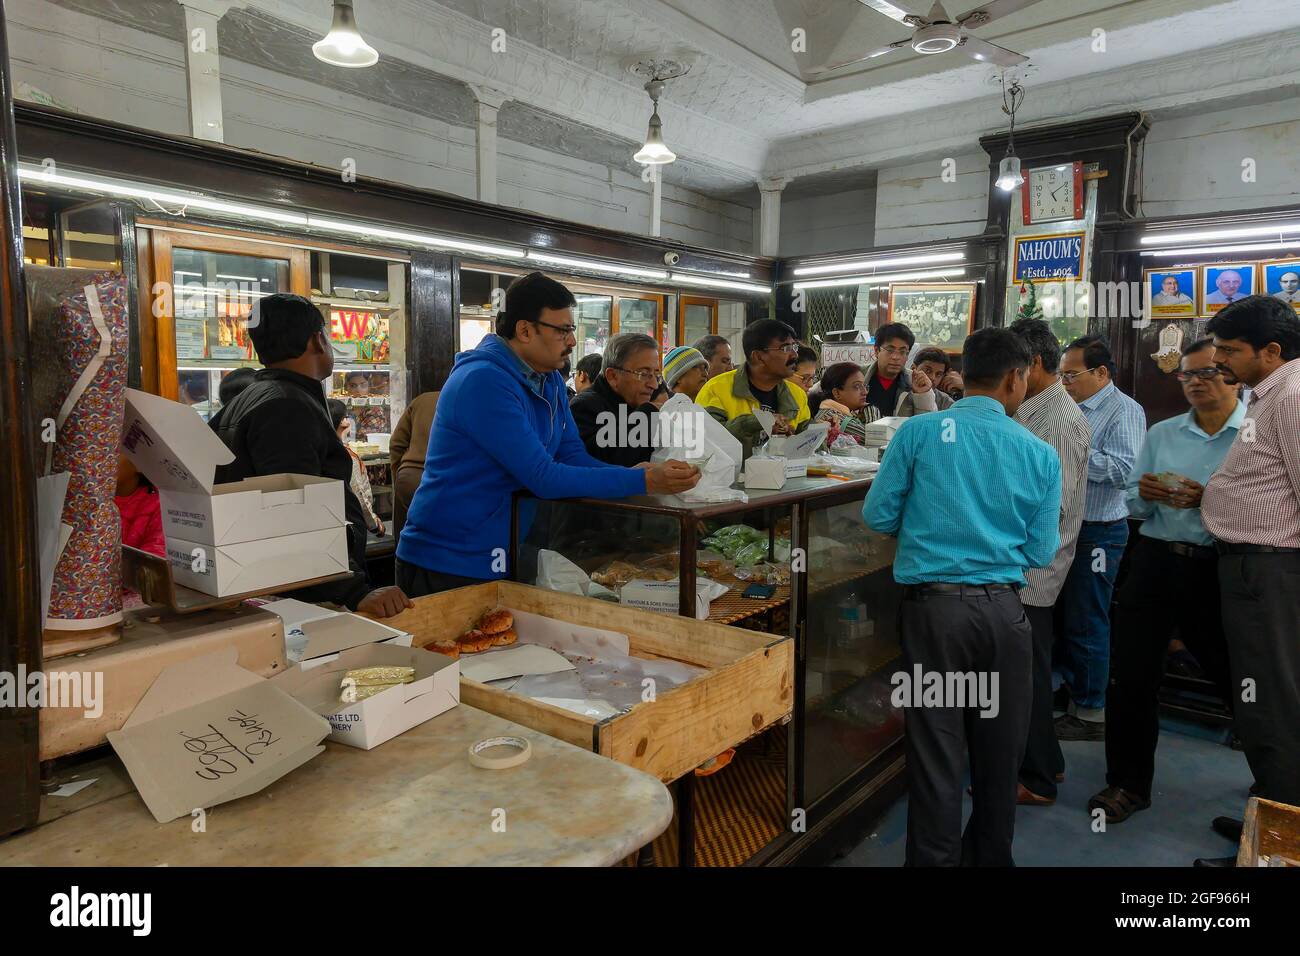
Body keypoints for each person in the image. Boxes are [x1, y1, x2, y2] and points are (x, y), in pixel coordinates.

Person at [864, 328, 1060, 866]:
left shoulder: (920, 433)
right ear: (1017, 379)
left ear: (964, 371)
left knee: (936, 751)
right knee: (1001, 753)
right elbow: (1041, 550)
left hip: (936, 616)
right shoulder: (1039, 453)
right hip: (1005, 615)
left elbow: (877, 515)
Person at [396, 272, 699, 597]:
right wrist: (641, 482)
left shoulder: (549, 380)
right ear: (525, 330)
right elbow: (543, 476)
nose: (571, 340)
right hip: (448, 561)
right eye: (563, 330)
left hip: (507, 551)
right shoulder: (482, 382)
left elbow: (571, 456)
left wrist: (633, 473)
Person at [1088, 338, 1243, 828]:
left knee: (1244, 680)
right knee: (1131, 676)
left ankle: (1277, 785)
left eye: (1209, 373)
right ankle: (1127, 784)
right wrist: (1146, 493)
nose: (1195, 382)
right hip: (1155, 559)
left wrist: (1207, 500)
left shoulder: (1256, 435)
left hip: (1220, 567)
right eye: (1187, 375)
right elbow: (1132, 498)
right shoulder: (1164, 432)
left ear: (1235, 377)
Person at [208, 293, 411, 618]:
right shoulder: (287, 407)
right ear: (318, 340)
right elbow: (295, 511)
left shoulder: (252, 398)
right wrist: (353, 592)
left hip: (269, 584)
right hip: (306, 598)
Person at [1197, 295, 1300, 865]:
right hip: (1253, 568)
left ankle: (1279, 853)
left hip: (1273, 569)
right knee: (1260, 703)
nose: (1219, 361)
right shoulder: (1270, 393)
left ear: (1273, 350)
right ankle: (1270, 815)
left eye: (1231, 350)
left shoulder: (1292, 396)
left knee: (1275, 707)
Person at [1008, 318, 1090, 805]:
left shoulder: (1055, 418)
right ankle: (1049, 762)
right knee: (1031, 669)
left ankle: (1034, 778)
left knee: (1029, 676)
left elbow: (1056, 507)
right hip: (1028, 562)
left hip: (1034, 569)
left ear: (1033, 364)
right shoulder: (1035, 409)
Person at [1056, 334, 1146, 740]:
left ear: (1102, 372)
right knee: (1065, 616)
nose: (1064, 383)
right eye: (1061, 375)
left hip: (1099, 531)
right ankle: (1075, 689)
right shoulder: (1068, 406)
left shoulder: (1123, 410)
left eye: (1071, 375)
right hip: (1067, 525)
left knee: (1088, 617)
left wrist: (1068, 451)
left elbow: (1124, 471)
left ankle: (1091, 711)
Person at [693, 319, 810, 459]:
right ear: (758, 357)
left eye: (794, 347)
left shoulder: (797, 395)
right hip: (732, 479)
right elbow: (706, 441)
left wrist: (802, 439)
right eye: (785, 348)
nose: (794, 355)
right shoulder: (716, 389)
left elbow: (809, 441)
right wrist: (754, 423)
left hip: (786, 477)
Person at [570, 332, 662, 467]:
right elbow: (599, 464)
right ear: (613, 376)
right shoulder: (584, 407)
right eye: (644, 374)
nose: (654, 385)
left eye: (656, 374)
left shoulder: (635, 401)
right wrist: (646, 414)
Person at [863, 322, 952, 419]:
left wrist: (922, 395)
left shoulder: (916, 382)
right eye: (890, 350)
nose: (896, 357)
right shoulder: (858, 376)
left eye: (902, 352)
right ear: (876, 351)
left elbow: (926, 422)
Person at [328, 398, 384, 536]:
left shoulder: (320, 449)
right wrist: (374, 524)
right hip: (352, 524)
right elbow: (358, 494)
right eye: (346, 417)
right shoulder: (347, 455)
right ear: (343, 423)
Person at [388, 390, 439, 538]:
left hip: (409, 477)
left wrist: (399, 475)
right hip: (441, 480)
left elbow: (396, 443)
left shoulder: (421, 400)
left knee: (403, 536)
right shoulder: (464, 401)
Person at [807, 361, 880, 445]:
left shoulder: (840, 412)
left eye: (865, 386)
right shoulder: (832, 417)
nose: (865, 392)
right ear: (837, 393)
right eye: (857, 386)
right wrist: (871, 408)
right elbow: (877, 439)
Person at [114, 454, 165, 557]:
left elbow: (153, 560)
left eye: (112, 451)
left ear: (140, 464)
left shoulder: (159, 504)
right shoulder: (86, 496)